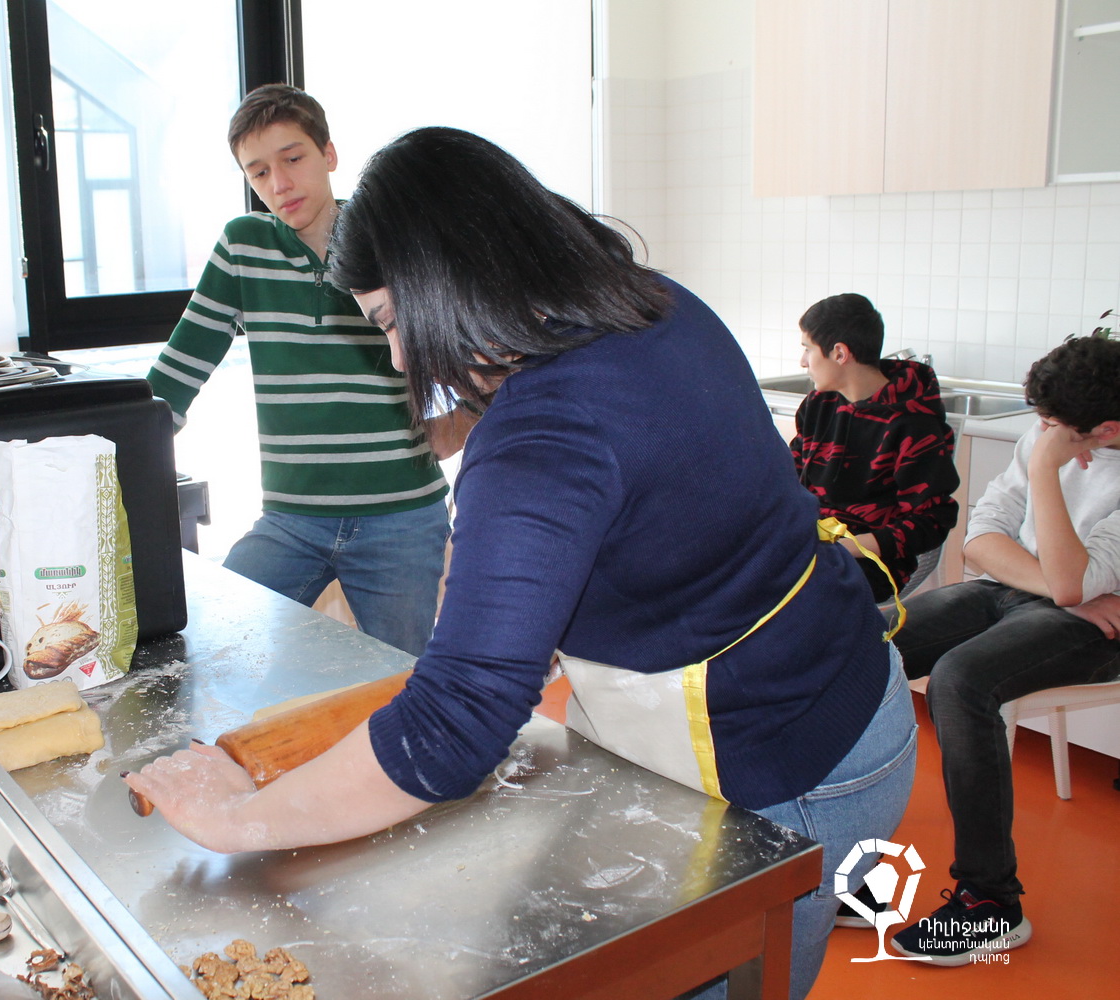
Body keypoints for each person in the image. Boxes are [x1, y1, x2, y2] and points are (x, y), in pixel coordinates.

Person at [125, 127, 916, 1000]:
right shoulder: (651, 302)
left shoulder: (542, 435)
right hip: (850, 681)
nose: (398, 356)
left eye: (390, 321)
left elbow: (453, 725)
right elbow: (645, 524)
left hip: (789, 763)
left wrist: (240, 820)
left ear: (448, 283)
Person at [145, 86, 473, 657]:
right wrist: (113, 466)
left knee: (401, 681)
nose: (279, 183)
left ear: (329, 154)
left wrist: (461, 421)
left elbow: (486, 348)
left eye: (293, 158)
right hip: (291, 521)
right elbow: (178, 371)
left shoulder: (389, 241)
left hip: (402, 518)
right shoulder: (243, 248)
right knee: (210, 647)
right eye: (258, 171)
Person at [889, 334, 1120, 965]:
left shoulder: (1049, 454)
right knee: (867, 639)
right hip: (1026, 593)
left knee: (960, 681)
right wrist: (1063, 587)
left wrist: (1045, 472)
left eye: (1053, 429)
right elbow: (981, 540)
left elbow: (1072, 582)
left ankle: (991, 902)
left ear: (1104, 431)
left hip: (1099, 632)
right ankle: (849, 849)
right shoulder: (1046, 436)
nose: (1040, 435)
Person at [790, 293, 959, 603]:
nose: (803, 362)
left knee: (791, 601)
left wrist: (845, 547)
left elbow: (932, 521)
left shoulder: (912, 424)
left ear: (839, 353)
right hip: (810, 546)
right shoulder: (818, 405)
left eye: (808, 349)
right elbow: (789, 478)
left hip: (872, 562)